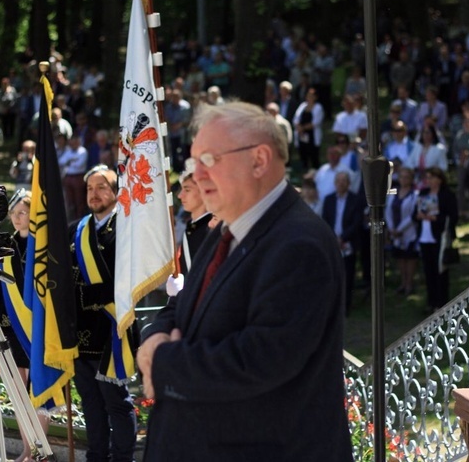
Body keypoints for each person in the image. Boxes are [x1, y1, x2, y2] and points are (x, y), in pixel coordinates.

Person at [136, 102, 352, 461]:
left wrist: (163, 360)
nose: (197, 175)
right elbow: (181, 306)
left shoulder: (300, 244)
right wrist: (154, 336)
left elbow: (261, 359)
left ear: (259, 160)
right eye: (193, 162)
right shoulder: (226, 228)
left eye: (209, 160)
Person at [70, 165, 137, 462]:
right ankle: (96, 457)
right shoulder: (76, 229)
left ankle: (122, 459)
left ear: (115, 191)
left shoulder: (128, 227)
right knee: (90, 404)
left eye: (101, 187)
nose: (94, 194)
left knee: (117, 404)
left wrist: (90, 295)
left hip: (112, 329)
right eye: (89, 188)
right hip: (80, 332)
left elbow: (132, 278)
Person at [0, 190, 48, 462]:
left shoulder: (42, 246)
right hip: (12, 328)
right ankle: (27, 449)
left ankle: (41, 450)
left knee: (39, 393)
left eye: (22, 212)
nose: (16, 217)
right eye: (13, 213)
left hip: (38, 330)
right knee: (18, 392)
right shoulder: (6, 246)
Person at [414, 167, 458, 313]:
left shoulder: (447, 195)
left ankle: (442, 302)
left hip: (440, 237)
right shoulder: (423, 193)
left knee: (441, 270)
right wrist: (419, 216)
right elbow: (415, 213)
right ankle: (431, 302)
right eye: (428, 178)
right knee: (428, 270)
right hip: (425, 237)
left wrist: (435, 218)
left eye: (432, 177)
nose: (430, 181)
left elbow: (452, 217)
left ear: (439, 179)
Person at [167, 172, 216, 297]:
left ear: (203, 191)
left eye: (187, 190)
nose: (180, 195)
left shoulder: (211, 229)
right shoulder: (192, 228)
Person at [322, 171, 363, 315]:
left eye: (344, 181)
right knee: (332, 275)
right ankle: (333, 305)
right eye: (338, 181)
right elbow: (325, 220)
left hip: (348, 243)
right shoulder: (328, 200)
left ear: (348, 183)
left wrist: (343, 238)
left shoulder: (355, 200)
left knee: (347, 275)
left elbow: (357, 222)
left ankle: (345, 305)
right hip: (332, 242)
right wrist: (333, 238)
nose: (341, 183)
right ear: (334, 183)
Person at [385, 167, 419, 296]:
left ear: (411, 179)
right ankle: (403, 282)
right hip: (394, 230)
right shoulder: (393, 192)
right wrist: (391, 228)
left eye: (407, 177)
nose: (404, 180)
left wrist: (400, 229)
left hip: (408, 231)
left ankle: (410, 283)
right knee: (400, 256)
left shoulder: (414, 194)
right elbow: (388, 210)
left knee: (409, 257)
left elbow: (412, 215)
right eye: (402, 177)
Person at [293, 87, 324, 171]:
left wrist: (302, 128)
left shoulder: (318, 107)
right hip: (302, 135)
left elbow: (315, 122)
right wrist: (299, 128)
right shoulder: (302, 106)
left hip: (312, 136)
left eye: (312, 95)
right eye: (308, 95)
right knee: (303, 155)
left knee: (314, 156)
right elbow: (296, 119)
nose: (309, 97)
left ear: (316, 97)